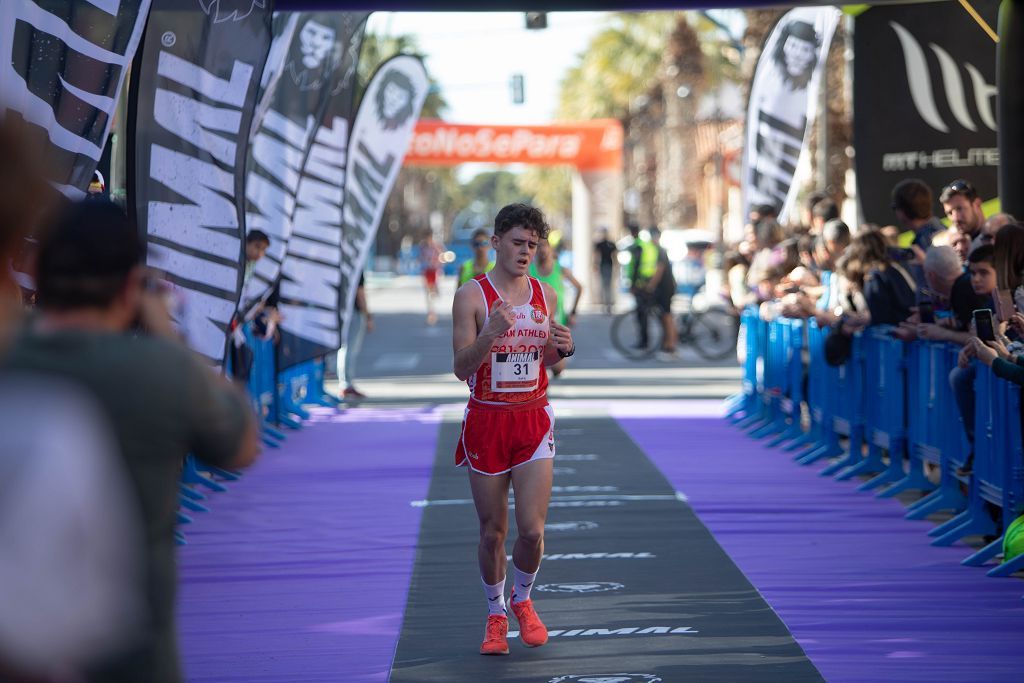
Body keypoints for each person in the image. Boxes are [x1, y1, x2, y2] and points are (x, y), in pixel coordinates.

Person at [1, 199, 261, 682]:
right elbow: (242, 445)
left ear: (39, 272)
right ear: (131, 286)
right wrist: (170, 335)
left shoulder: (10, 359)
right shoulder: (162, 370)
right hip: (132, 655)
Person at [451, 203, 574, 657]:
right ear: (497, 241)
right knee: (492, 533)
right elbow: (460, 366)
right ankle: (495, 612)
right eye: (518, 243)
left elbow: (548, 362)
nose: (525, 252)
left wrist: (563, 348)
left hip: (532, 418)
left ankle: (523, 599)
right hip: (486, 419)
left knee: (532, 531)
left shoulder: (545, 294)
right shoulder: (471, 296)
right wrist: (489, 335)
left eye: (533, 245)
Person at [530, 237, 583, 377]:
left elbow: (579, 287)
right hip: (535, 323)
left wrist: (573, 313)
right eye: (537, 246)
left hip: (557, 323)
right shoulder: (529, 270)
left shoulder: (560, 269)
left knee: (557, 368)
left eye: (544, 246)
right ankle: (541, 389)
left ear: (550, 249)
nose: (541, 249)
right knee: (537, 365)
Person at [339, 272, 373, 399]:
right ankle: (346, 384)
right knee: (349, 347)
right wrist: (368, 315)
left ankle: (346, 383)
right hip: (353, 312)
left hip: (342, 310)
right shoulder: (355, 264)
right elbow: (360, 294)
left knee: (345, 347)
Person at [647, 227, 678, 360]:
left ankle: (671, 346)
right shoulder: (658, 250)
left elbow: (659, 270)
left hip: (665, 288)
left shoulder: (660, 251)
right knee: (665, 317)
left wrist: (651, 285)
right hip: (665, 287)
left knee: (667, 317)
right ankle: (667, 344)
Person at [939, 178, 986, 250]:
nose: (955, 218)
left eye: (960, 209)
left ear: (977, 204)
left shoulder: (997, 240)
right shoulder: (950, 247)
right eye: (950, 213)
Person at [419, 229, 445, 325]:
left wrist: (437, 263)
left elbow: (441, 256)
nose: (428, 239)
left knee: (434, 292)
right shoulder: (422, 246)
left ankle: (435, 296)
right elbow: (421, 258)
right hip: (426, 271)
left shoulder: (436, 246)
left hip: (434, 271)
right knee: (428, 293)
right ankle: (431, 312)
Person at [593, 227, 617, 314]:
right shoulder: (600, 244)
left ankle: (608, 304)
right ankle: (605, 304)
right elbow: (596, 255)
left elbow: (614, 256)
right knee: (604, 285)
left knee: (608, 286)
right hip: (603, 265)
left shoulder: (611, 244)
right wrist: (595, 265)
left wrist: (616, 266)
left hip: (608, 266)